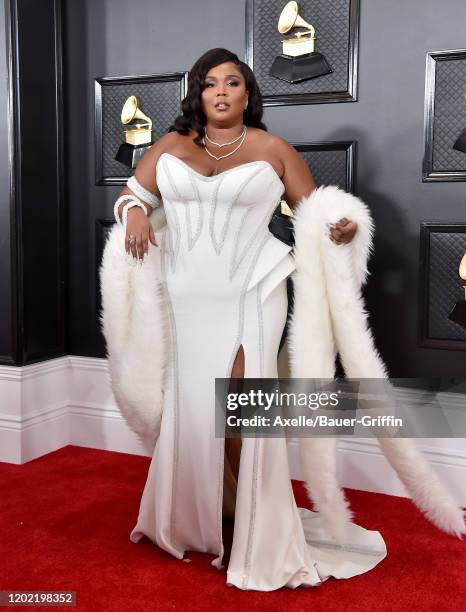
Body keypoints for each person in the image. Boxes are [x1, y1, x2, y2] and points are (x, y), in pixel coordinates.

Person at [112, 48, 388, 591]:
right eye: (210, 83)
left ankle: (258, 525)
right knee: (193, 405)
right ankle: (215, 509)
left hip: (251, 291)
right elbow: (129, 196)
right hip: (185, 297)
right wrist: (139, 211)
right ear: (198, 92)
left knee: (236, 404)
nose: (220, 91)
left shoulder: (272, 148)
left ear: (246, 93)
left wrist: (345, 229)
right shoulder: (169, 146)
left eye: (232, 82)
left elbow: (318, 212)